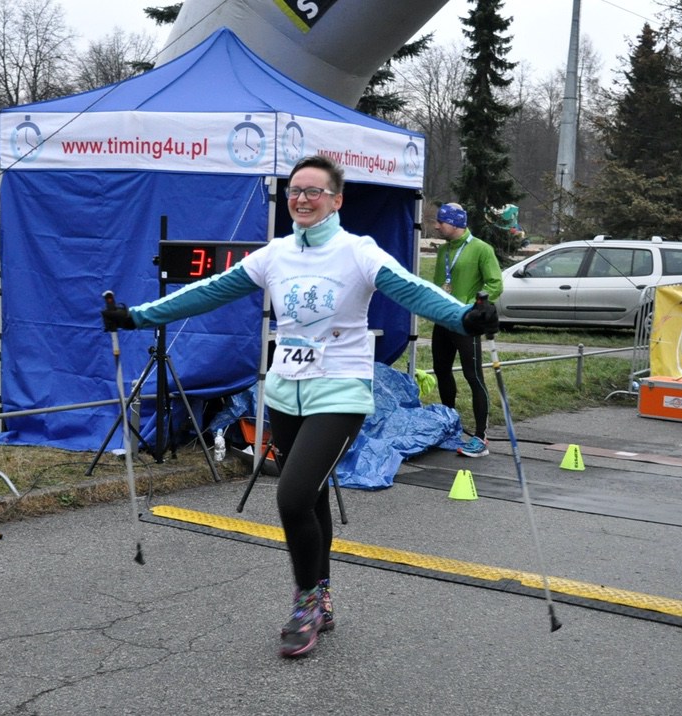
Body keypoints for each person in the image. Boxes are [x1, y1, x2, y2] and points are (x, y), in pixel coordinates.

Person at [102, 154, 498, 658]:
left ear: (336, 200)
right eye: (295, 190)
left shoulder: (358, 251)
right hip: (286, 393)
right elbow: (208, 292)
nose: (302, 199)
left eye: (314, 191)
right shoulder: (276, 254)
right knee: (311, 498)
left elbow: (415, 291)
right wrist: (137, 317)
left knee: (291, 497)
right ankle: (323, 596)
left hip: (341, 393)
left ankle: (306, 601)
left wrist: (465, 318)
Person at [431, 202, 502, 458]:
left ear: (454, 223)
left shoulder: (481, 249)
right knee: (442, 372)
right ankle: (450, 427)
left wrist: (474, 308)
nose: (436, 226)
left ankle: (481, 437)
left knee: (474, 377)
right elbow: (439, 284)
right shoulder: (444, 250)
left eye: (440, 222)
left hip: (465, 322)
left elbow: (495, 284)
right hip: (443, 321)